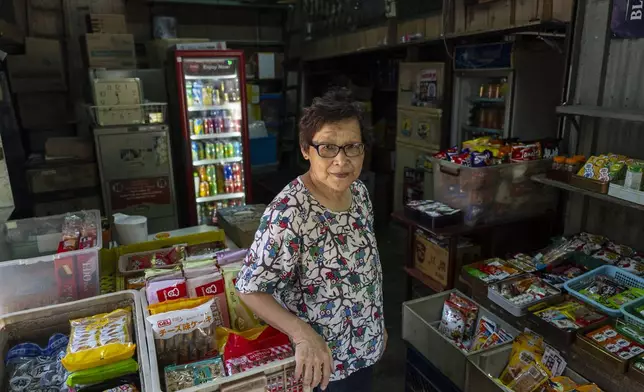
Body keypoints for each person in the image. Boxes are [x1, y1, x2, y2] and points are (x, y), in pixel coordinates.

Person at [236, 87, 386, 391]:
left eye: (352, 147)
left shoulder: (359, 193)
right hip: (323, 367)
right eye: (328, 147)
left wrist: (376, 325)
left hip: (365, 351)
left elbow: (365, 269)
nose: (342, 161)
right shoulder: (288, 213)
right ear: (306, 149)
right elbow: (250, 288)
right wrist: (303, 335)